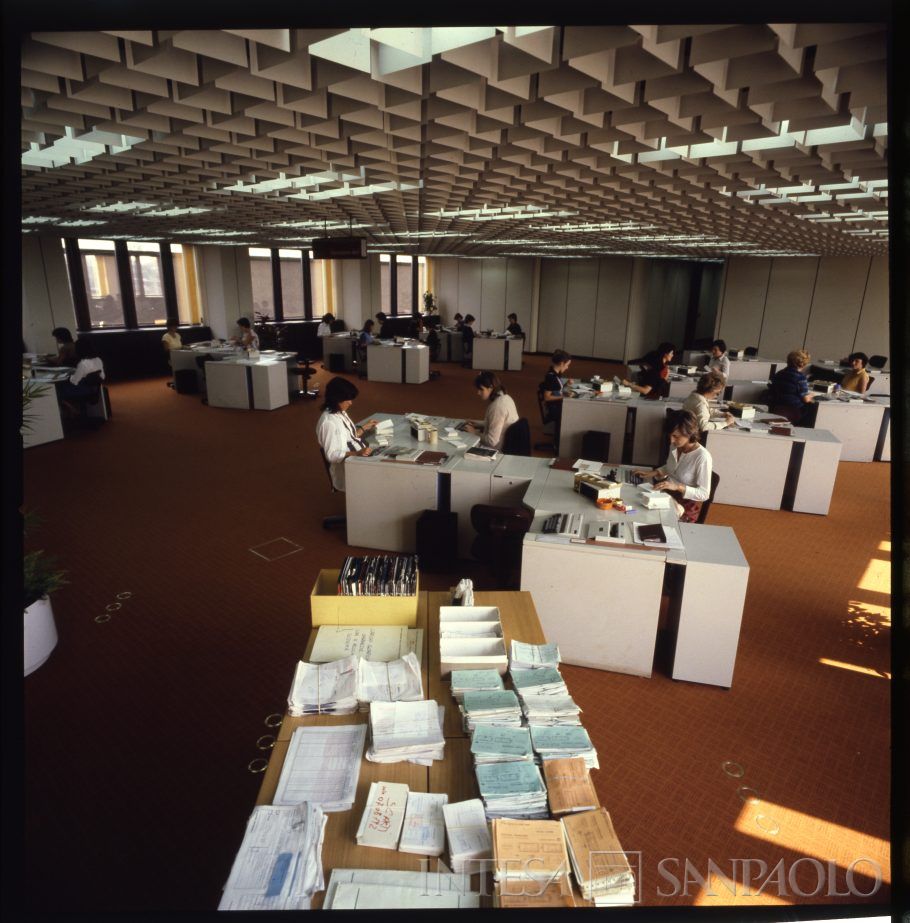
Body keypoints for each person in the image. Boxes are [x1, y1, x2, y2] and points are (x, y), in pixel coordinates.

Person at [632, 410, 712, 523]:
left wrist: (678, 487)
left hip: (685, 506)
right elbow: (671, 467)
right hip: (666, 495)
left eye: (675, 436)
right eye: (670, 435)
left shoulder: (702, 457)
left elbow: (704, 494)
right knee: (635, 503)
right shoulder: (675, 446)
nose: (671, 440)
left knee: (646, 519)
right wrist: (654, 473)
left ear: (689, 433)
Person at [315, 377, 378, 492]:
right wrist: (357, 453)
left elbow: (347, 438)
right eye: (347, 399)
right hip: (350, 465)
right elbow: (332, 455)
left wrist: (364, 428)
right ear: (337, 399)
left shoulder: (340, 412)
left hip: (360, 456)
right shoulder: (329, 423)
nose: (350, 402)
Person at [464, 371, 519, 452]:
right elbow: (499, 424)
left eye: (481, 389)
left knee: (463, 444)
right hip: (506, 442)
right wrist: (479, 424)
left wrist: (474, 432)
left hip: (496, 450)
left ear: (490, 388)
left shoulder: (497, 407)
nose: (478, 393)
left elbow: (491, 441)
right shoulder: (506, 397)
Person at [57, 337, 105, 413]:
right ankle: (74, 410)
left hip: (83, 389)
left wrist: (69, 376)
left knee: (58, 391)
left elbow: (75, 381)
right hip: (92, 389)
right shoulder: (98, 360)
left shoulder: (82, 364)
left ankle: (73, 410)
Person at [769, 348, 816, 424]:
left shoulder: (779, 373)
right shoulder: (800, 378)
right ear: (803, 364)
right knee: (812, 410)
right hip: (794, 410)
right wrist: (812, 395)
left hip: (777, 407)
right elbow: (806, 399)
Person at [540, 349, 573, 426]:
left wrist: (566, 384)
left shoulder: (556, 373)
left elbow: (556, 389)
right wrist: (564, 396)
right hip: (554, 408)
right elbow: (547, 397)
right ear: (561, 363)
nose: (567, 367)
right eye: (567, 365)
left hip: (557, 404)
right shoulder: (551, 377)